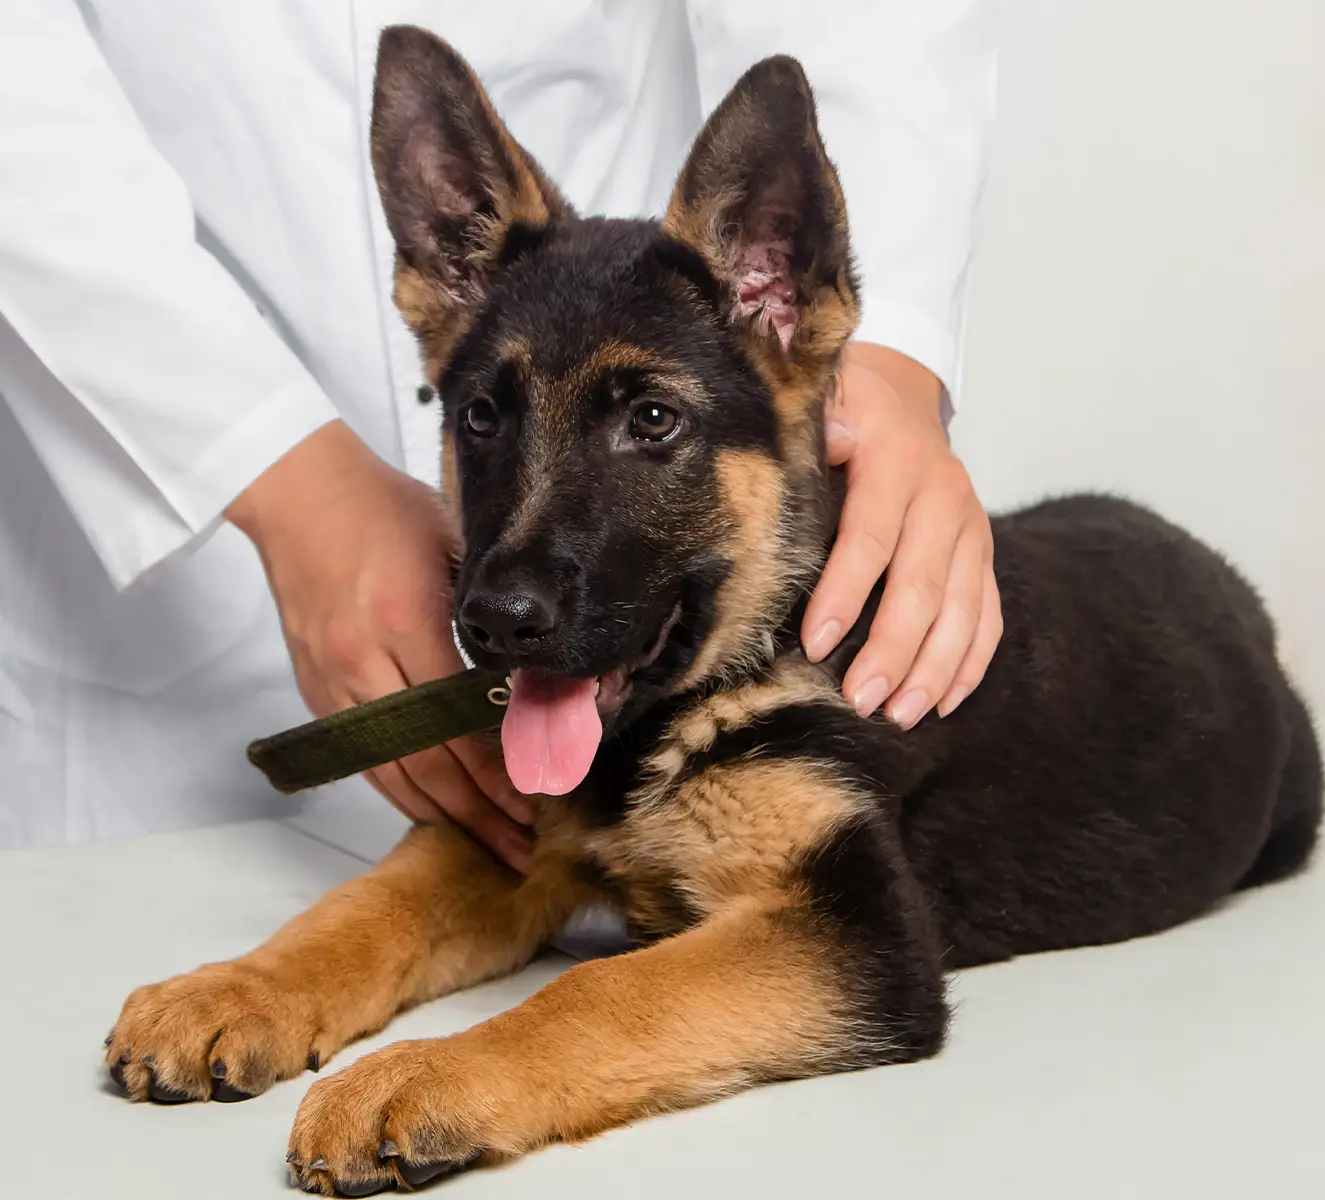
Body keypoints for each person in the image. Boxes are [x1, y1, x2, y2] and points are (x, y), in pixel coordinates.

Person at [0, 1, 1001, 861]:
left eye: (647, 420)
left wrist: (883, 353)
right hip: (158, 631)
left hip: (670, 375)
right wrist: (273, 469)